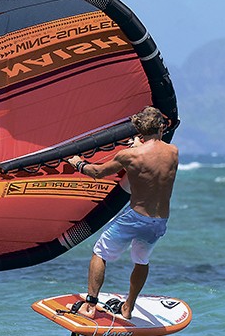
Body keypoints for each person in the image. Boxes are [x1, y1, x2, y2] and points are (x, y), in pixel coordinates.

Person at [67, 107, 178, 320]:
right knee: (141, 260)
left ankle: (90, 306)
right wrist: (140, 146)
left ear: (139, 130)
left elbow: (98, 172)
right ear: (161, 127)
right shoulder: (173, 152)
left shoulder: (130, 156)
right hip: (159, 221)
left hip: (135, 217)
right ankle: (128, 308)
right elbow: (154, 160)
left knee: (100, 252)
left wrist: (78, 163)